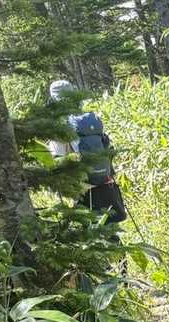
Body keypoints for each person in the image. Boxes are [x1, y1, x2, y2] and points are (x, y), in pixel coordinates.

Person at [48, 80, 128, 227]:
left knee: (91, 231)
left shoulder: (61, 127)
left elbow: (56, 161)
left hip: (84, 189)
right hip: (106, 183)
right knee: (110, 229)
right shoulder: (90, 121)